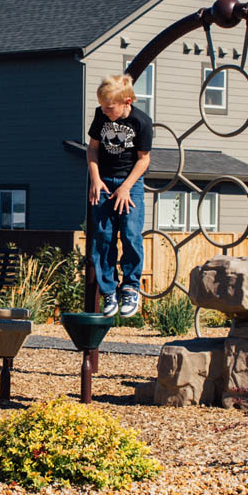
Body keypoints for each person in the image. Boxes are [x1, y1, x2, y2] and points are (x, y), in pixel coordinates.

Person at [87, 73, 152, 317]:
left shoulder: (141, 122)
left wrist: (125, 187)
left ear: (126, 102)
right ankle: (109, 291)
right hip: (104, 182)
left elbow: (144, 160)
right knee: (103, 237)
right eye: (102, 107)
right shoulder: (101, 116)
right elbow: (92, 149)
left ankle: (130, 287)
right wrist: (95, 179)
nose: (105, 111)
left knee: (131, 234)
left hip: (130, 184)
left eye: (109, 107)